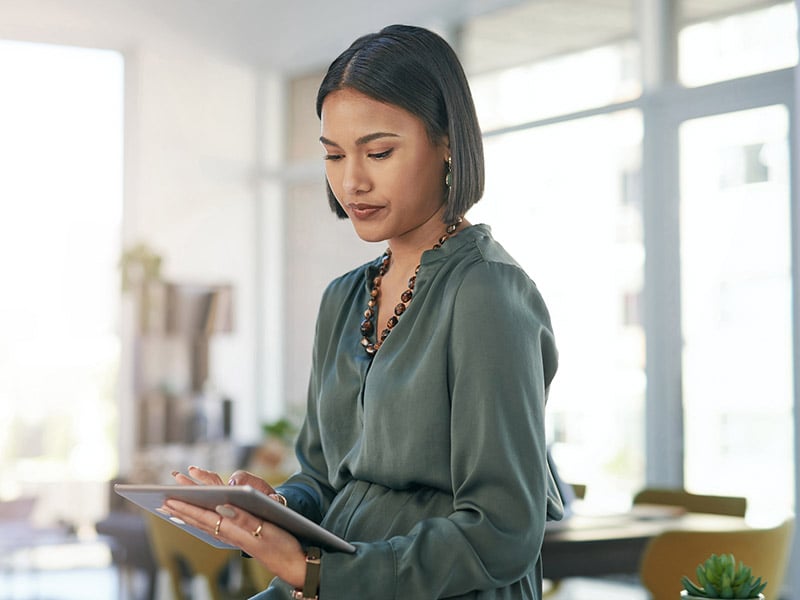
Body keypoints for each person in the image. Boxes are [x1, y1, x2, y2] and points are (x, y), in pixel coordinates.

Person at [162, 24, 563, 599]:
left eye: (379, 152)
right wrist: (271, 508)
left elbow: (503, 529)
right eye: (333, 155)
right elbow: (325, 480)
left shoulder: (488, 295)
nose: (352, 180)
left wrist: (318, 572)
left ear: (448, 141)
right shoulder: (344, 299)